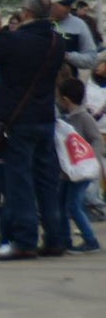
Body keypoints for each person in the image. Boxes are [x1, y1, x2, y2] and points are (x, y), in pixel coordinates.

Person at [0, 0, 65, 260]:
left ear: (27, 13)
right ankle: (55, 238)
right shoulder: (56, 41)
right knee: (46, 181)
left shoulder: (17, 40)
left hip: (19, 121)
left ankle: (25, 240)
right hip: (45, 117)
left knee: (19, 182)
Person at [55, 79, 102, 254]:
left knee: (73, 206)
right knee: (61, 204)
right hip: (68, 173)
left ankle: (91, 240)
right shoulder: (66, 119)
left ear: (66, 99)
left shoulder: (83, 118)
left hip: (82, 172)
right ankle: (64, 239)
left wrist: (91, 160)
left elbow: (96, 139)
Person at [43, 0, 97, 76]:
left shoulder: (78, 25)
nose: (69, 7)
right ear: (51, 5)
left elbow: (91, 59)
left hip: (66, 84)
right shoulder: (36, 23)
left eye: (70, 4)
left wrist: (66, 56)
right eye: (65, 4)